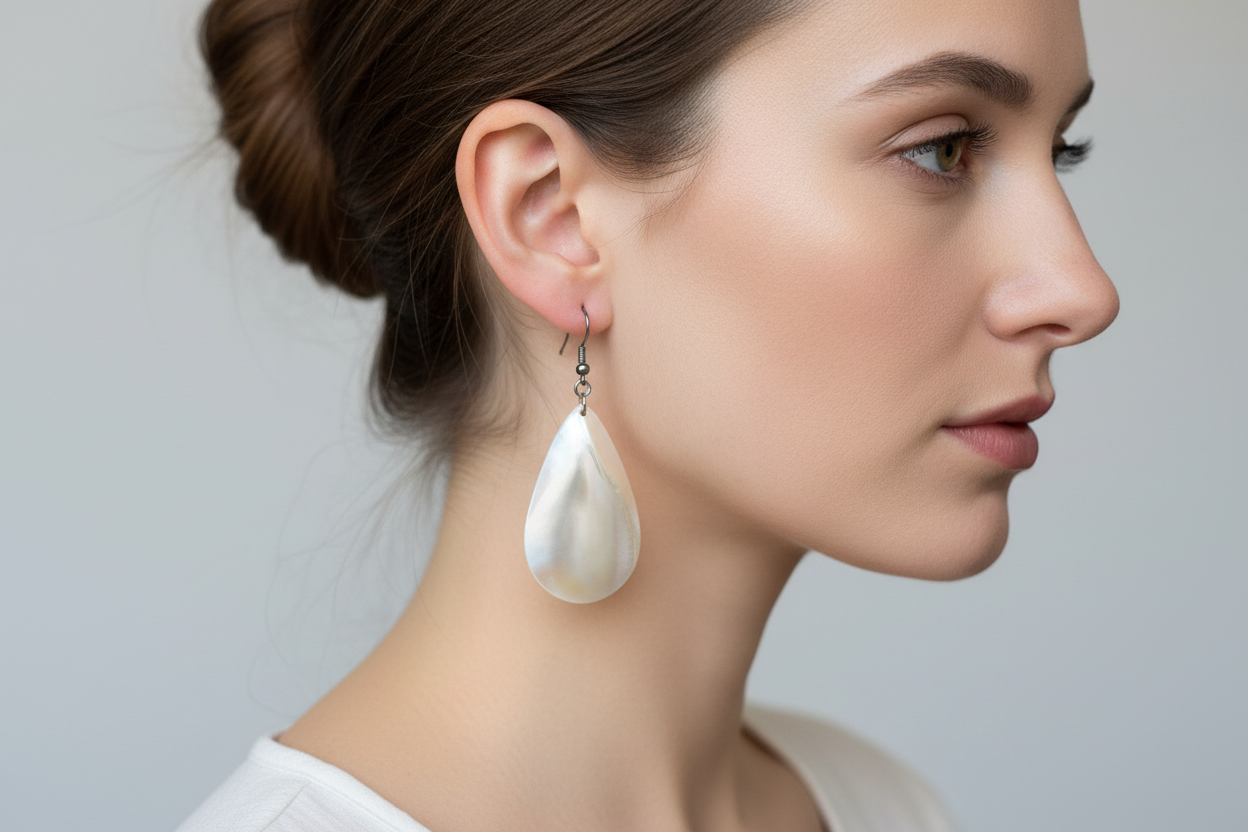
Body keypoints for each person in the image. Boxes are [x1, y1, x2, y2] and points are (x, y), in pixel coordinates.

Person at [179, 0, 1119, 829]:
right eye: (943, 148)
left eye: (1059, 151)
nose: (1082, 291)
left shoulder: (884, 807)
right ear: (552, 217)